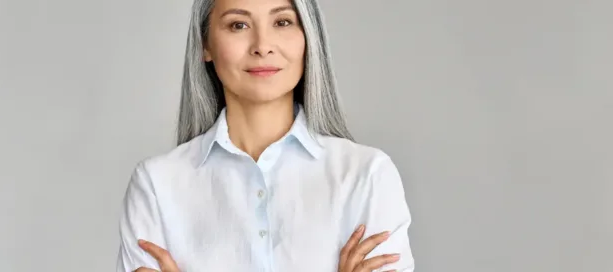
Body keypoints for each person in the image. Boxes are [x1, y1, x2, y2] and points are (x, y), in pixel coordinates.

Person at [116, 0, 415, 271]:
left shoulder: (367, 175)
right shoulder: (156, 185)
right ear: (205, 44)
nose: (262, 45)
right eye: (238, 25)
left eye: (282, 22)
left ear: (308, 37)